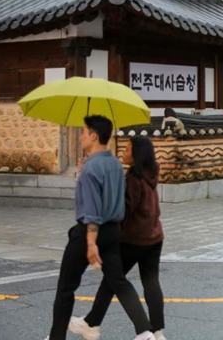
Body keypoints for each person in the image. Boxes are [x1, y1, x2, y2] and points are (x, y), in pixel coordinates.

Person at [46, 115, 155, 340]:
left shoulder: (91, 168)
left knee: (66, 286)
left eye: (84, 132)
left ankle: (57, 338)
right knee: (118, 281)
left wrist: (90, 242)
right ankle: (145, 332)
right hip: (113, 232)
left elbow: (93, 209)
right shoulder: (115, 163)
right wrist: (82, 174)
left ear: (94, 136)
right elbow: (107, 197)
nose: (80, 136)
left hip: (89, 232)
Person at [69, 136, 167, 340]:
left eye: (129, 148)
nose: (124, 150)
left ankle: (97, 324)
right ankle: (157, 332)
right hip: (154, 237)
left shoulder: (134, 179)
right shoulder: (149, 174)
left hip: (134, 239)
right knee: (150, 283)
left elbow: (122, 210)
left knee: (114, 281)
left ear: (136, 154)